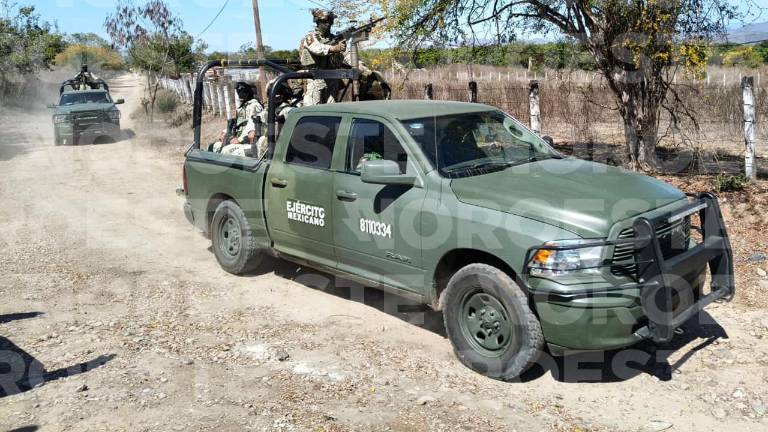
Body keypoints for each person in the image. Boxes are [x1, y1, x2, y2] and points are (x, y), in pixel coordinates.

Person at [299, 9, 347, 105]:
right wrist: (334, 48)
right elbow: (317, 48)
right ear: (317, 22)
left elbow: (346, 55)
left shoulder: (335, 38)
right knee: (312, 110)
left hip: (332, 77)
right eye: (324, 22)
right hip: (315, 78)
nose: (328, 24)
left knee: (331, 110)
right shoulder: (310, 37)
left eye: (330, 21)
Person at [218, 81, 264, 156]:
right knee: (215, 146)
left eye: (242, 92)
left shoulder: (254, 106)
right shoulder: (241, 108)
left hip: (248, 141)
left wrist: (239, 140)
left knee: (226, 151)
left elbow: (253, 128)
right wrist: (225, 132)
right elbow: (238, 125)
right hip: (237, 138)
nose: (239, 94)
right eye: (238, 92)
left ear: (248, 92)